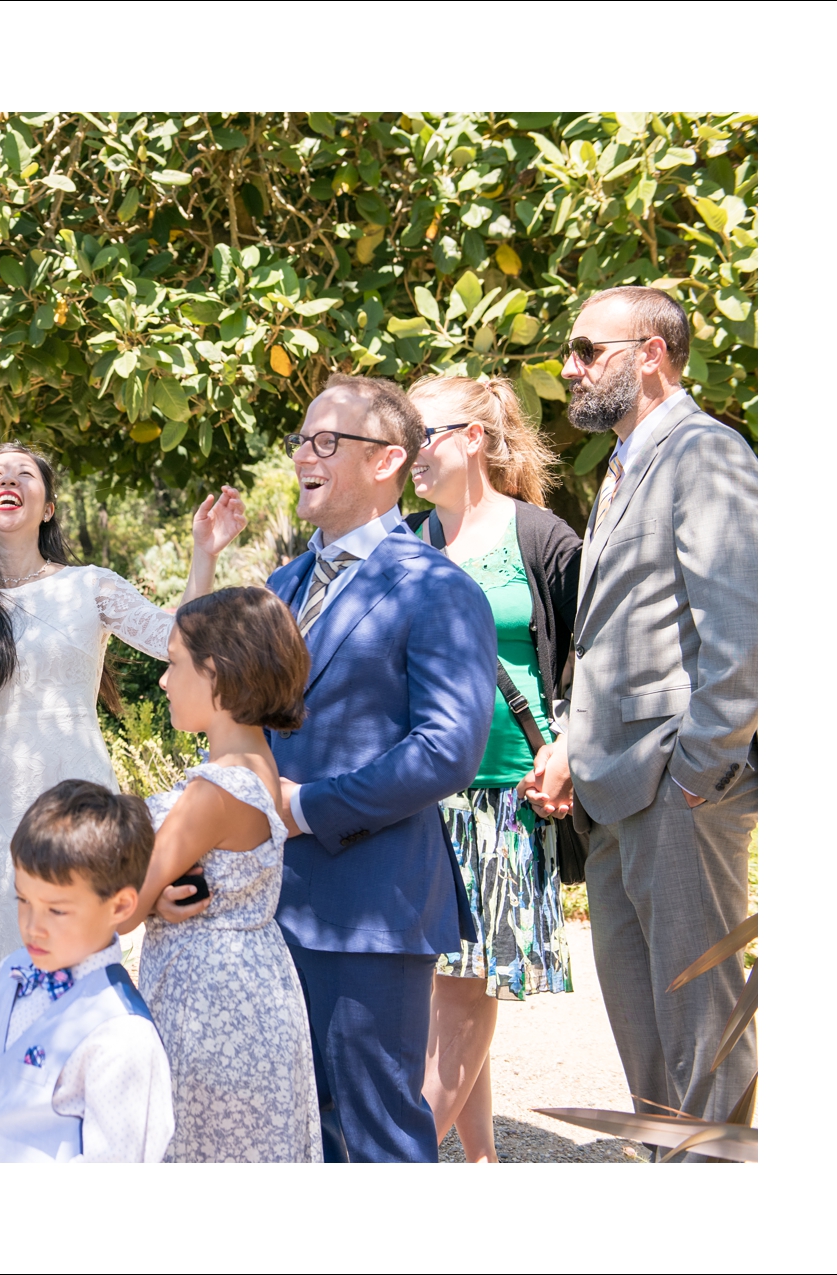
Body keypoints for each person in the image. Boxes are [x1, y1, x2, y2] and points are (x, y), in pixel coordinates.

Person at [523, 286, 757, 1138]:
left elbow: (744, 632)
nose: (570, 366)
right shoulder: (624, 462)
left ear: (651, 354)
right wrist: (574, 744)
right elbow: (620, 634)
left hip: (680, 798)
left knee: (705, 1039)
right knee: (647, 1048)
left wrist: (701, 770)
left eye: (589, 349)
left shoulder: (705, 453)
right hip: (618, 794)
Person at [248, 373, 496, 1162]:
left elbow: (446, 749)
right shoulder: (278, 587)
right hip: (265, 904)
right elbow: (243, 731)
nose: (303, 457)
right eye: (301, 441)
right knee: (296, 1135)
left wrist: (307, 805)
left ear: (389, 459)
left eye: (328, 441)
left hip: (370, 907)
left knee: (379, 1136)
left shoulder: (438, 587)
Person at [0, 442, 246, 999]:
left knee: (85, 966)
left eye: (26, 474)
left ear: (47, 508)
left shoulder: (89, 585)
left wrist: (204, 556)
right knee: (2, 972)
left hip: (80, 802)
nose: (10, 480)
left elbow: (173, 642)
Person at [404, 374, 583, 1162]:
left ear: (472, 437)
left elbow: (592, 654)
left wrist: (567, 746)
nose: (406, 451)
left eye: (422, 432)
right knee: (448, 980)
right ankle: (480, 1162)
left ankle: (395, 1159)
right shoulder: (407, 540)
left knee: (466, 988)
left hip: (508, 798)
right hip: (423, 799)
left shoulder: (541, 537)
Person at [122, 587, 322, 1162]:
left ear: (216, 673)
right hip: (256, 982)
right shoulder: (260, 764)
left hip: (207, 1000)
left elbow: (127, 903)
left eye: (174, 663)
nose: (163, 680)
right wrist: (160, 898)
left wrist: (146, 899)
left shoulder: (213, 790)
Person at [0, 780, 173, 1163]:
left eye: (56, 910)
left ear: (120, 907)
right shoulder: (11, 971)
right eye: (23, 900)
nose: (33, 926)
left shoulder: (122, 1034)